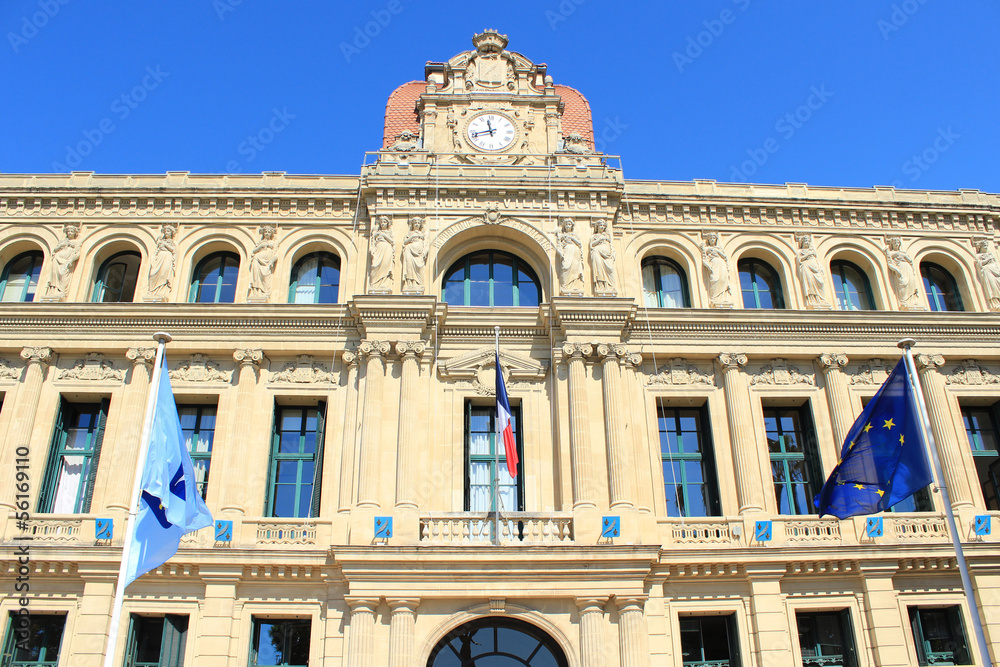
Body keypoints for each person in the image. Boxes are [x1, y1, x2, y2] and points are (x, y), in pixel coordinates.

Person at [885, 236, 921, 308]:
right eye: (894, 242)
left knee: (910, 284)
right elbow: (890, 263)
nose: (896, 244)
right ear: (891, 244)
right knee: (903, 283)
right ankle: (903, 302)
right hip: (900, 269)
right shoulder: (890, 253)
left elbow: (910, 261)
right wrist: (896, 270)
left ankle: (911, 302)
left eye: (898, 242)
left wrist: (912, 269)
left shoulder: (903, 252)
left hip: (907, 268)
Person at [46, 223, 81, 297]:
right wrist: (61, 246)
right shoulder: (63, 241)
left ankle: (62, 291)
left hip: (66, 260)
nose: (70, 233)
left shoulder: (76, 242)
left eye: (72, 231)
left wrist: (71, 260)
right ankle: (54, 291)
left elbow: (77, 253)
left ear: (75, 233)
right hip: (57, 258)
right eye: (68, 231)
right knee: (55, 274)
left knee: (63, 274)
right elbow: (55, 250)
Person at [701, 231, 733, 307]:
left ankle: (722, 299)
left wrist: (717, 250)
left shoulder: (719, 248)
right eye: (710, 238)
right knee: (714, 279)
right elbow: (704, 258)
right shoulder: (706, 248)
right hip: (713, 265)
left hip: (721, 264)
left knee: (722, 280)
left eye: (714, 238)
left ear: (716, 239)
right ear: (708, 240)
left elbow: (724, 257)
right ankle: (714, 299)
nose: (712, 239)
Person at [797, 235, 828, 307]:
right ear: (802, 243)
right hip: (806, 266)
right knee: (809, 283)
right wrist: (808, 254)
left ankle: (821, 300)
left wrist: (820, 268)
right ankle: (813, 300)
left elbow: (817, 260)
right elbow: (800, 259)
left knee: (821, 282)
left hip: (815, 267)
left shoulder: (813, 250)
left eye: (808, 241)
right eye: (805, 241)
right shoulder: (801, 251)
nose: (807, 243)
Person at [147, 225, 176, 299]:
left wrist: (165, 244)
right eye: (165, 231)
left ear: (172, 233)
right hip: (159, 258)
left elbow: (173, 250)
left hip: (167, 257)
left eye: (168, 231)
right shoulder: (160, 241)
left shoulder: (172, 242)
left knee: (163, 273)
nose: (166, 232)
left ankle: (161, 292)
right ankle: (152, 291)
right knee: (153, 274)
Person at [248, 225, 277, 298]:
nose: (267, 233)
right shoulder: (260, 242)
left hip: (267, 261)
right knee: (256, 276)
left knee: (265, 276)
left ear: (271, 234)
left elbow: (275, 254)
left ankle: (265, 292)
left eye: (269, 232)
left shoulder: (273, 242)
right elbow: (254, 251)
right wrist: (261, 246)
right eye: (265, 232)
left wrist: (271, 262)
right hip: (257, 259)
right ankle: (256, 292)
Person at [556, 218, 583, 292]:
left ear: (572, 226)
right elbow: (559, 245)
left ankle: (574, 286)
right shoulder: (562, 235)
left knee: (574, 268)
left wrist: (571, 238)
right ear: (564, 226)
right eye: (566, 225)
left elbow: (579, 243)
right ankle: (566, 286)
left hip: (575, 252)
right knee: (565, 267)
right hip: (567, 252)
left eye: (569, 224)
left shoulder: (574, 235)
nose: (568, 226)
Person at [589, 218, 616, 293]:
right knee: (599, 270)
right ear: (597, 226)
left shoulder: (607, 235)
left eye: (603, 225)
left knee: (610, 269)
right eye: (600, 225)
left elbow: (610, 245)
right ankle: (601, 287)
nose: (602, 226)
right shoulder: (594, 236)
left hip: (607, 255)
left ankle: (610, 287)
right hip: (597, 253)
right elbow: (592, 245)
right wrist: (600, 238)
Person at [401, 217, 427, 291]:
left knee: (419, 267)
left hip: (419, 253)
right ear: (412, 224)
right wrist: (412, 237)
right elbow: (405, 242)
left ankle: (418, 284)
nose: (417, 225)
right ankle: (410, 284)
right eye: (415, 223)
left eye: (418, 223)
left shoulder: (423, 233)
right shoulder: (409, 233)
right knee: (409, 267)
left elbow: (426, 244)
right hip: (409, 250)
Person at [369, 216, 395, 291]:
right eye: (381, 222)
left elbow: (392, 241)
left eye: (384, 222)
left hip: (387, 249)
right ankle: (376, 284)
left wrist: (383, 235)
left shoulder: (389, 232)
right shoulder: (376, 232)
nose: (383, 224)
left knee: (385, 265)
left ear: (387, 223)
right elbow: (372, 242)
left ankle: (384, 283)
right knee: (375, 265)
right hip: (378, 249)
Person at [975, 239, 1000, 310]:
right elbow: (979, 264)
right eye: (984, 245)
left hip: (995, 271)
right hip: (987, 271)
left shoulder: (991, 254)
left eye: (986, 245)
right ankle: (995, 303)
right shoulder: (978, 255)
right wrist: (988, 258)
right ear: (980, 247)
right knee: (992, 287)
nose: (986, 247)